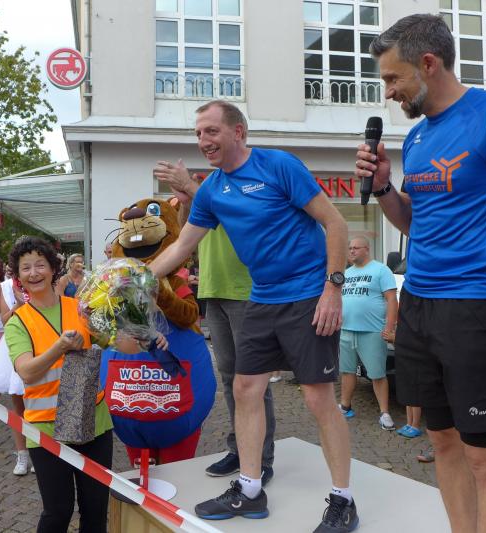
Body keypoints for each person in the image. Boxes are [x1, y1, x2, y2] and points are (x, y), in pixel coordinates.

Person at [355, 14, 486, 533]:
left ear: (429, 63)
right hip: (419, 307)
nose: (389, 92)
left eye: (393, 78)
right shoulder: (417, 138)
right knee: (442, 441)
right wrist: (384, 188)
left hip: (476, 307)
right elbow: (414, 224)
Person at [151, 100, 354, 530]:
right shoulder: (211, 190)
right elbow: (182, 245)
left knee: (318, 397)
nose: (204, 141)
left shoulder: (279, 166)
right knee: (245, 389)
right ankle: (249, 490)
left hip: (307, 294)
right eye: (198, 134)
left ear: (238, 132)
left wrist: (332, 289)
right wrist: (131, 277)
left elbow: (335, 223)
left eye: (211, 131)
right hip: (261, 296)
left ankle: (343, 499)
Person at [155, 168, 277, 489]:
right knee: (230, 378)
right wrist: (185, 201)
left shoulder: (238, 192)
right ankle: (239, 450)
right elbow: (183, 237)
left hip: (246, 291)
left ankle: (262, 458)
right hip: (213, 291)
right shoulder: (203, 199)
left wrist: (194, 189)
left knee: (253, 380)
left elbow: (232, 213)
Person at [5, 237, 113, 532]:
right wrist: (59, 348)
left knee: (95, 510)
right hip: (47, 429)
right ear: (18, 276)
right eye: (26, 267)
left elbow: (114, 341)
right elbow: (26, 372)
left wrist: (142, 330)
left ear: (53, 269)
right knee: (57, 512)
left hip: (93, 422)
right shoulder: (18, 322)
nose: (34, 273)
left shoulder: (81, 308)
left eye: (40, 264)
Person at [338, 237, 398, 431]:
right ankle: (345, 406)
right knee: (347, 371)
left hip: (372, 331)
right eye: (349, 248)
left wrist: (389, 327)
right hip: (346, 330)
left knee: (377, 374)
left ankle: (384, 413)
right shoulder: (346, 273)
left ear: (367, 249)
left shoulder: (381, 270)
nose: (352, 251)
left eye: (356, 248)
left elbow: (391, 299)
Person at [0, 261, 31, 476]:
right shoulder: (4, 287)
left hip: (40, 343)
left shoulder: (43, 283)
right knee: (19, 405)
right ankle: (22, 454)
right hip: (14, 345)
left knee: (42, 405)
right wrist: (18, 305)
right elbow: (4, 320)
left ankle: (42, 452)